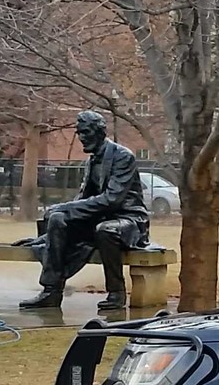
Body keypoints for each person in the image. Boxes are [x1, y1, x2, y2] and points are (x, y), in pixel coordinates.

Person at [19, 110, 150, 311]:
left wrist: (65, 207)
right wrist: (46, 237)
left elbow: (112, 200)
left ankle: (116, 293)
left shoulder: (123, 156)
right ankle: (51, 291)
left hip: (127, 219)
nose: (81, 137)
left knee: (105, 230)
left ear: (99, 132)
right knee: (58, 218)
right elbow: (83, 198)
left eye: (85, 132)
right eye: (79, 133)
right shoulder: (92, 160)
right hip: (99, 218)